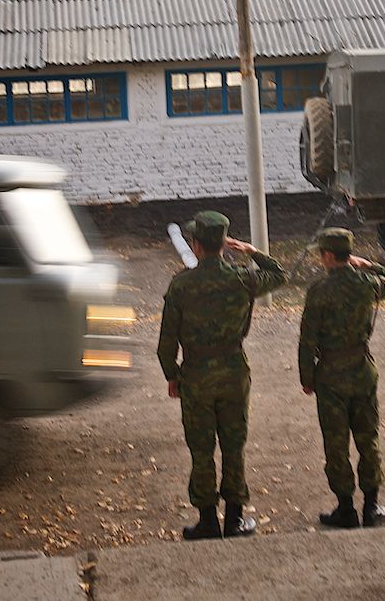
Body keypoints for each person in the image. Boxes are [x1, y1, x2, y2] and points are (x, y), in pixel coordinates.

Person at [158, 210, 288, 540]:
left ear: (196, 245)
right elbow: (279, 274)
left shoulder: (181, 285)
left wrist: (172, 375)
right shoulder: (243, 279)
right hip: (233, 372)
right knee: (233, 446)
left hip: (196, 376)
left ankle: (206, 521)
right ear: (224, 245)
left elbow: (166, 343)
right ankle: (234, 519)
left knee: (201, 449)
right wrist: (250, 250)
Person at [298, 227, 385, 528]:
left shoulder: (318, 291)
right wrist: (368, 265)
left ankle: (345, 508)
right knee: (368, 438)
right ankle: (371, 506)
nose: (319, 259)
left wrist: (307, 377)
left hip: (330, 375)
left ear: (329, 256)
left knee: (336, 442)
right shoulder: (367, 284)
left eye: (321, 254)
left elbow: (307, 339)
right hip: (362, 370)